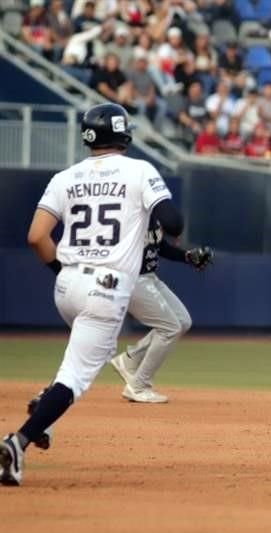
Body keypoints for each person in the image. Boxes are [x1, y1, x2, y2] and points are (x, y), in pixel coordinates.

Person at [1, 103, 184, 486]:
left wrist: (62, 272)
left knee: (87, 355)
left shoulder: (65, 177)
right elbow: (173, 223)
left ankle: (43, 408)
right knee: (78, 375)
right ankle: (19, 441)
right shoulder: (139, 170)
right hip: (107, 286)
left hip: (66, 285)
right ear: (123, 133)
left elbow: (36, 236)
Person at [109, 221, 213, 403]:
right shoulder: (132, 212)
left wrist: (187, 256)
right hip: (132, 279)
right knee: (170, 328)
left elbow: (160, 246)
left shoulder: (152, 215)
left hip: (148, 277)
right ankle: (138, 386)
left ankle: (130, 359)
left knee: (182, 321)